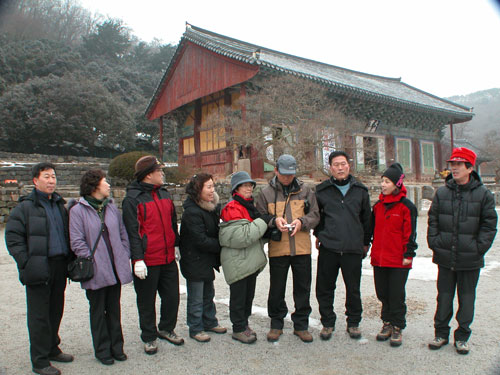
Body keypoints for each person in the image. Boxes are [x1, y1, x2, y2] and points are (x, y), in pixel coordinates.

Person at [5, 162, 73, 375]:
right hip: (38, 267)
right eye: (46, 176)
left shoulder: (59, 205)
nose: (51, 180)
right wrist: (26, 261)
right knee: (39, 316)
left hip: (59, 266)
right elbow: (13, 238)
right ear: (35, 180)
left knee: (55, 310)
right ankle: (40, 361)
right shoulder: (25, 207)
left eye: (53, 176)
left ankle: (52, 348)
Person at [427, 147, 497, 355]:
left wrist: (478, 248)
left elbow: (489, 225)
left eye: (458, 164)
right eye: (452, 164)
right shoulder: (442, 193)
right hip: (445, 255)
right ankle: (440, 333)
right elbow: (433, 220)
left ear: (469, 167)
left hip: (470, 258)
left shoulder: (483, 195)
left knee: (466, 299)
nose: (454, 168)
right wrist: (435, 242)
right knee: (444, 297)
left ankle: (463, 336)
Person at [69, 169, 133, 365]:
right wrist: (91, 259)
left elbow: (122, 233)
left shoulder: (111, 208)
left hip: (114, 267)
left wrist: (124, 252)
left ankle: (117, 347)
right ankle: (102, 349)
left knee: (114, 309)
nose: (109, 185)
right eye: (105, 182)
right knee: (98, 311)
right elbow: (77, 240)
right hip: (95, 269)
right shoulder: (78, 211)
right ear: (95, 185)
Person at [122, 155, 183, 355]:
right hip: (147, 259)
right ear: (149, 175)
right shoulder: (132, 199)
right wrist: (137, 259)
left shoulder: (164, 194)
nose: (162, 173)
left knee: (172, 297)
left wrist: (176, 244)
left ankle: (166, 328)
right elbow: (132, 232)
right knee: (146, 301)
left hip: (167, 258)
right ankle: (149, 336)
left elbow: (173, 222)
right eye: (159, 171)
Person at [255, 154, 320, 343]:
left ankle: (301, 325)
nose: (287, 178)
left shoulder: (306, 191)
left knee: (302, 288)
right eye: (283, 174)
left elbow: (316, 214)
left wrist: (302, 222)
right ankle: (276, 323)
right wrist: (274, 221)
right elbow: (259, 216)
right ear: (276, 171)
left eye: (290, 175)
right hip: (278, 248)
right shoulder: (266, 193)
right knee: (276, 288)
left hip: (302, 249)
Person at [314, 151, 371, 341]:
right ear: (330, 168)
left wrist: (365, 243)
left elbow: (367, 220)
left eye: (343, 164)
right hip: (329, 247)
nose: (340, 168)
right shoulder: (322, 190)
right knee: (324, 287)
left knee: (353, 288)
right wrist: (319, 234)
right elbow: (317, 216)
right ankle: (327, 322)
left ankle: (353, 322)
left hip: (352, 248)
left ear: (349, 165)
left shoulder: (360, 191)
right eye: (336, 165)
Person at [219, 171, 272, 344]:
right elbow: (243, 236)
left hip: (247, 259)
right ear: (236, 188)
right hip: (238, 260)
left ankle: (244, 324)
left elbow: (253, 233)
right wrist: (264, 221)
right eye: (245, 185)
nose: (249, 187)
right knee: (239, 296)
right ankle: (238, 328)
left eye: (250, 185)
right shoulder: (232, 207)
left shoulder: (249, 206)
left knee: (248, 294)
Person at [370, 163, 417, 347]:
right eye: (382, 181)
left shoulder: (406, 207)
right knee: (382, 293)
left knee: (396, 294)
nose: (383, 185)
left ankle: (397, 325)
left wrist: (409, 253)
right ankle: (387, 322)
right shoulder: (378, 206)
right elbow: (371, 230)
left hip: (398, 259)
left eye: (387, 181)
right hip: (380, 258)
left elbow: (410, 233)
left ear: (397, 184)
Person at [179, 173, 227, 343]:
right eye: (208, 187)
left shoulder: (210, 207)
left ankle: (210, 321)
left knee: (208, 293)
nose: (212, 190)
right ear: (198, 189)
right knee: (196, 297)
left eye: (213, 186)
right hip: (194, 259)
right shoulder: (192, 212)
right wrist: (222, 244)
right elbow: (200, 240)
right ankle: (196, 327)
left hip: (206, 259)